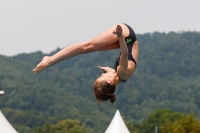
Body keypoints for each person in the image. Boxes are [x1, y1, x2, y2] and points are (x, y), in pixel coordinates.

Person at [32, 23, 139, 104]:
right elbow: (124, 54)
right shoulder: (122, 73)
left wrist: (106, 69)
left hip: (126, 41)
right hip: (126, 36)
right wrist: (120, 35)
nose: (102, 74)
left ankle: (50, 60)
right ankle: (49, 61)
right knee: (86, 47)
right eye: (102, 76)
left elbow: (114, 73)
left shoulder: (120, 78)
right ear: (109, 81)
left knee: (88, 48)